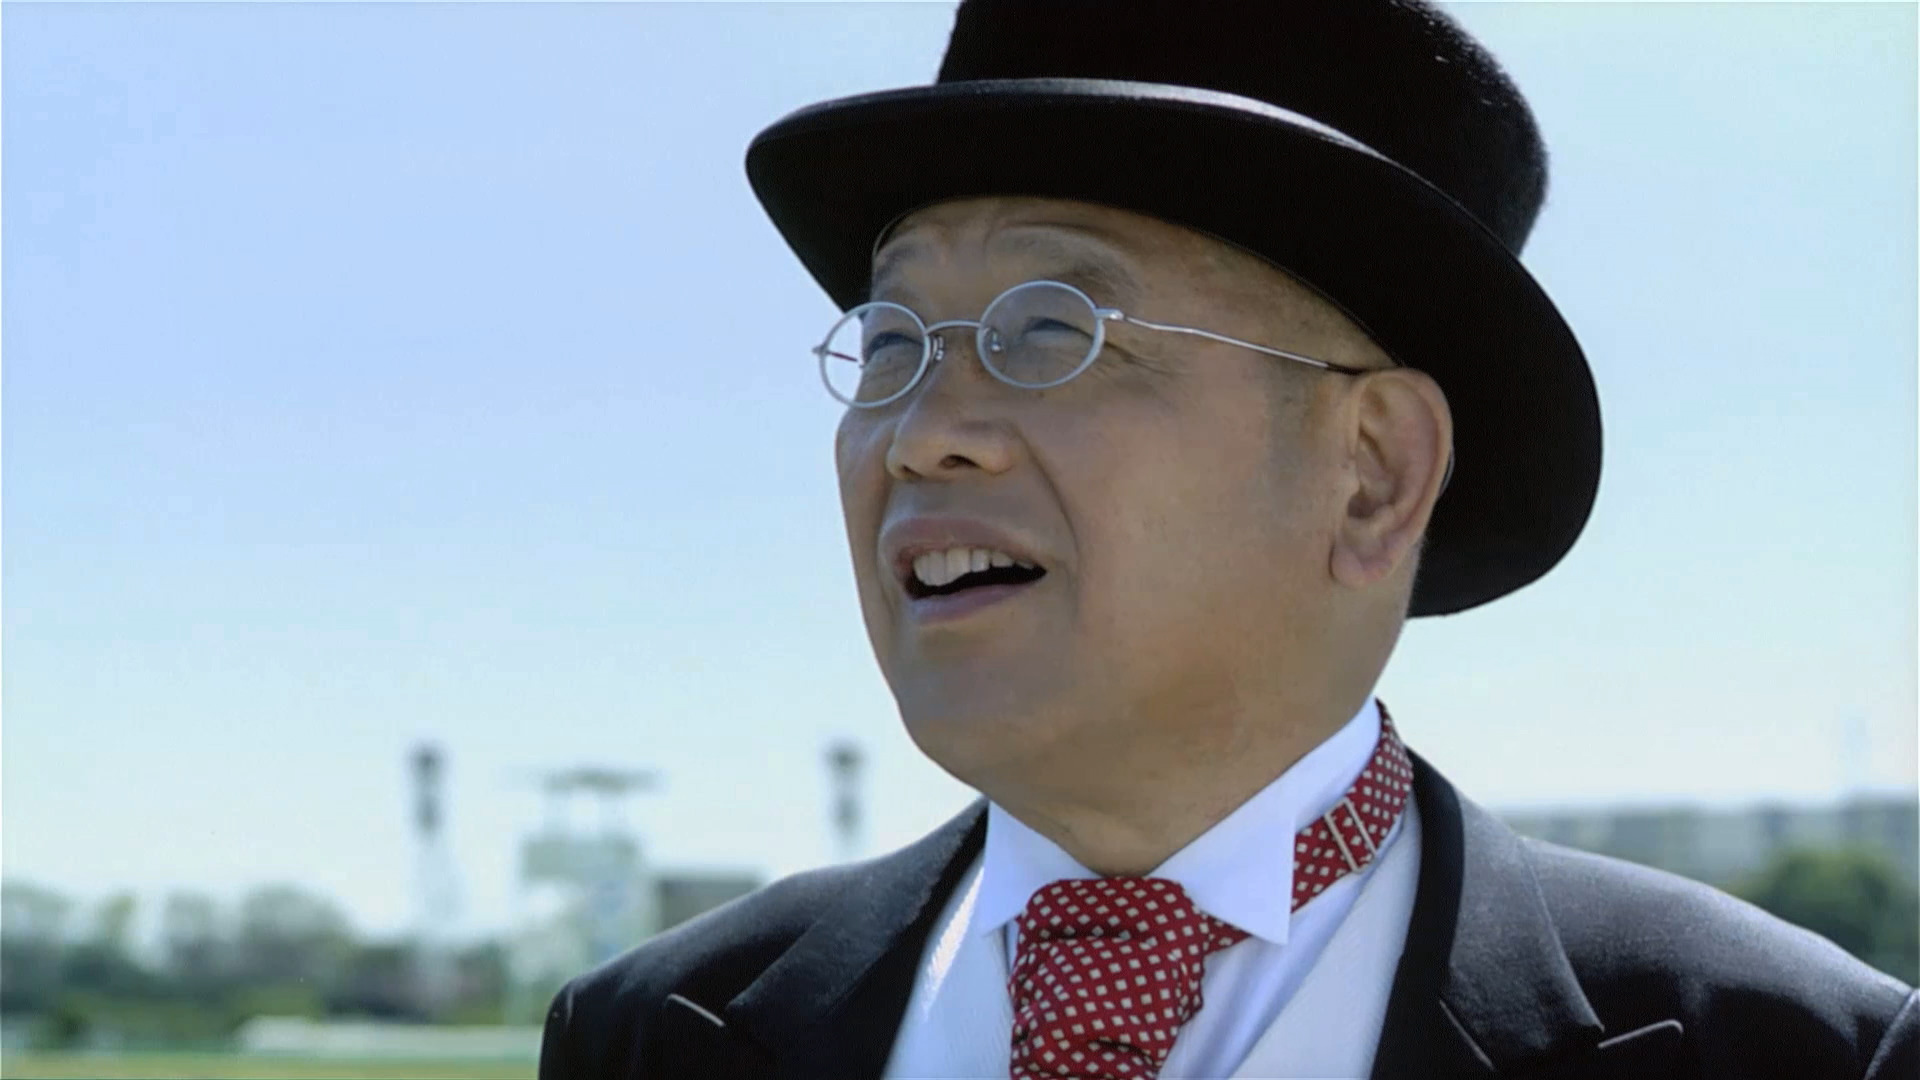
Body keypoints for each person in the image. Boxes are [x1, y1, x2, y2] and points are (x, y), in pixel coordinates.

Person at [538, 2, 1917, 1077]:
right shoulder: (646, 1037)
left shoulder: (1788, 1052)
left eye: (1048, 329)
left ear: (1373, 474)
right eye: (892, 341)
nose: (923, 432)